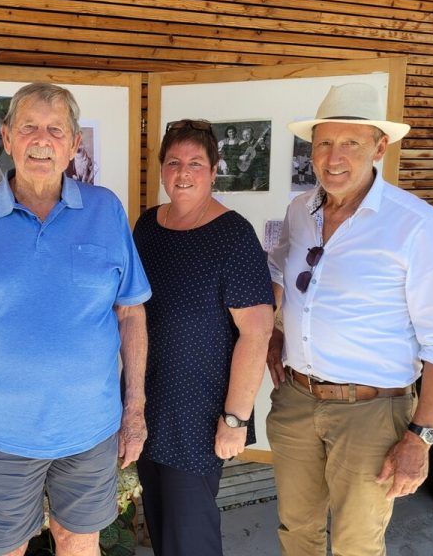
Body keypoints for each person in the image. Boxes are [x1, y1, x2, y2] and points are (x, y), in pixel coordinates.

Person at [0, 83, 151, 556]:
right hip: (4, 434)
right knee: (2, 549)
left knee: (78, 541)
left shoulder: (105, 210)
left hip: (90, 431)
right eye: (28, 128)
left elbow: (131, 314)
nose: (41, 140)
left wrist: (134, 410)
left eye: (55, 130)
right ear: (7, 138)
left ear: (73, 144)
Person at [266, 82, 433, 556]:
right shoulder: (301, 210)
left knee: (356, 545)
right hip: (298, 401)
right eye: (324, 142)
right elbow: (280, 270)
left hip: (373, 414)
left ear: (379, 148)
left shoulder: (417, 225)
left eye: (351, 143)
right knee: (295, 531)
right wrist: (269, 335)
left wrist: (421, 437)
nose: (333, 156)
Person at [133, 119, 274, 556]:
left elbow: (258, 330)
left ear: (214, 170)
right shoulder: (147, 227)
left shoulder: (233, 235)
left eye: (196, 162)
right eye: (173, 161)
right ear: (161, 169)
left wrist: (235, 419)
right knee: (159, 523)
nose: (183, 172)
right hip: (147, 402)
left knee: (190, 535)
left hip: (200, 413)